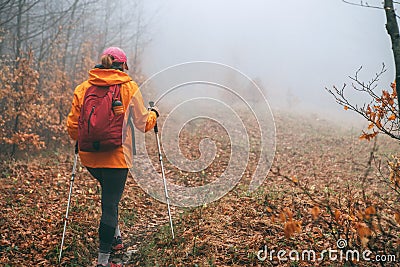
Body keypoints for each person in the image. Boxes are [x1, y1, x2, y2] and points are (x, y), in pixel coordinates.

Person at [66, 47, 159, 267]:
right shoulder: (129, 88)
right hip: (117, 159)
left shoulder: (83, 88)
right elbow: (142, 124)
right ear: (123, 66)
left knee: (109, 197)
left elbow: (72, 126)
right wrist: (154, 114)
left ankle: (116, 238)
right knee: (110, 204)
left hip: (90, 159)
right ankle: (103, 262)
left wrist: (84, 141)